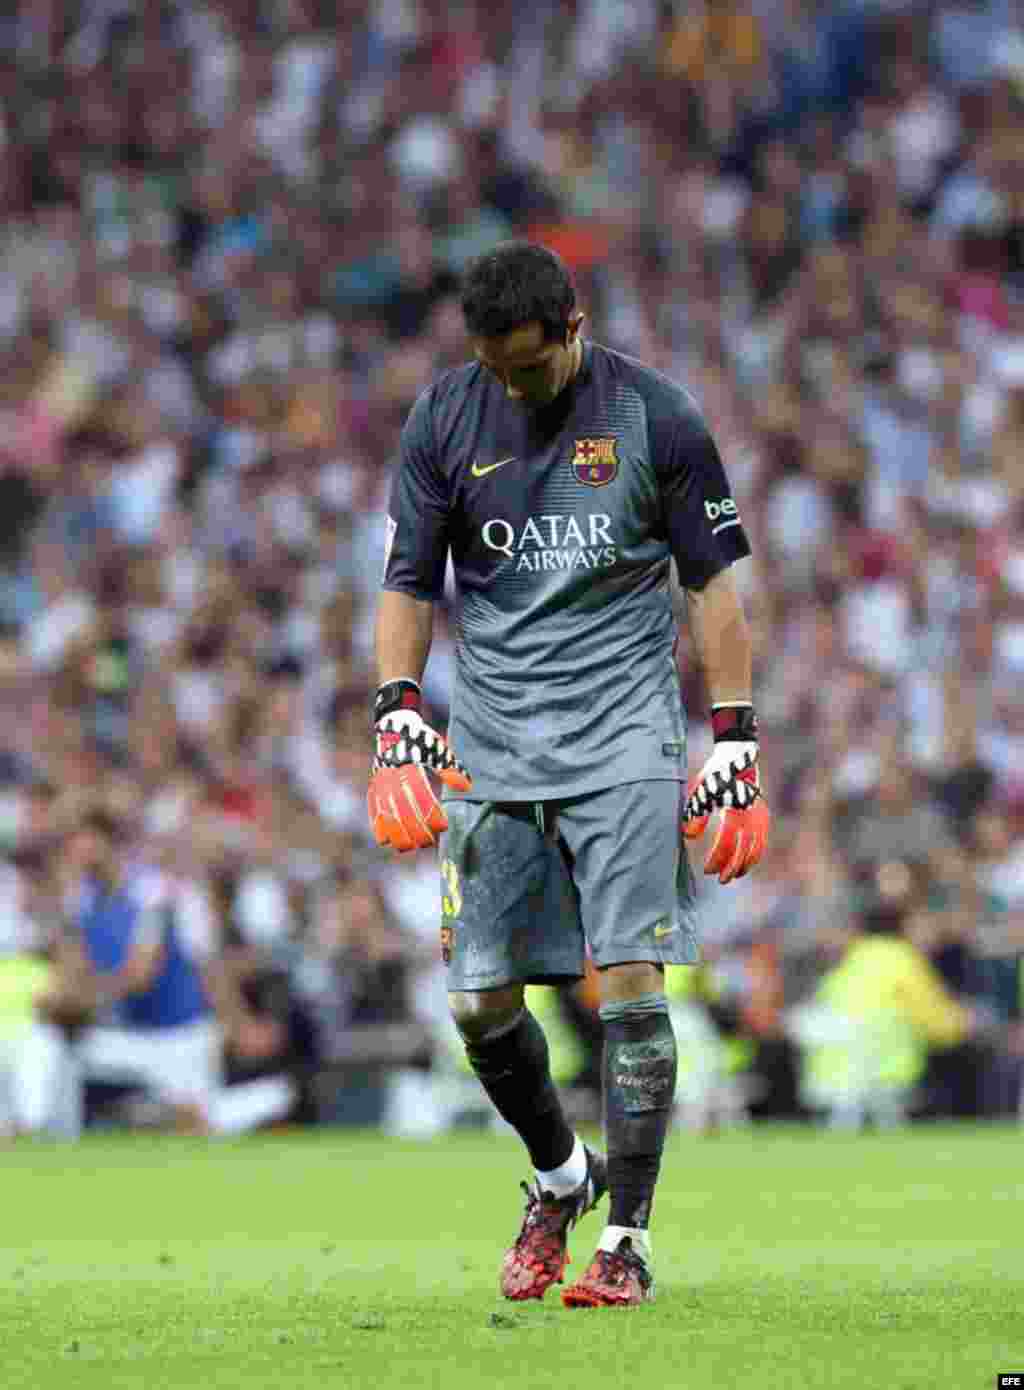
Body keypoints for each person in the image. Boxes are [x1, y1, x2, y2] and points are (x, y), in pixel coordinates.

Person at [367, 241, 770, 1307]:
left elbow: (713, 585)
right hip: (494, 747)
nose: (512, 387)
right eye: (495, 368)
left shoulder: (656, 416)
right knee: (476, 1003)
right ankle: (560, 1177)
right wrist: (395, 708)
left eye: (529, 369)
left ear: (573, 326)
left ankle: (627, 1242)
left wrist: (732, 733)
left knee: (631, 983)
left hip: (626, 739)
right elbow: (407, 581)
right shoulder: (443, 420)